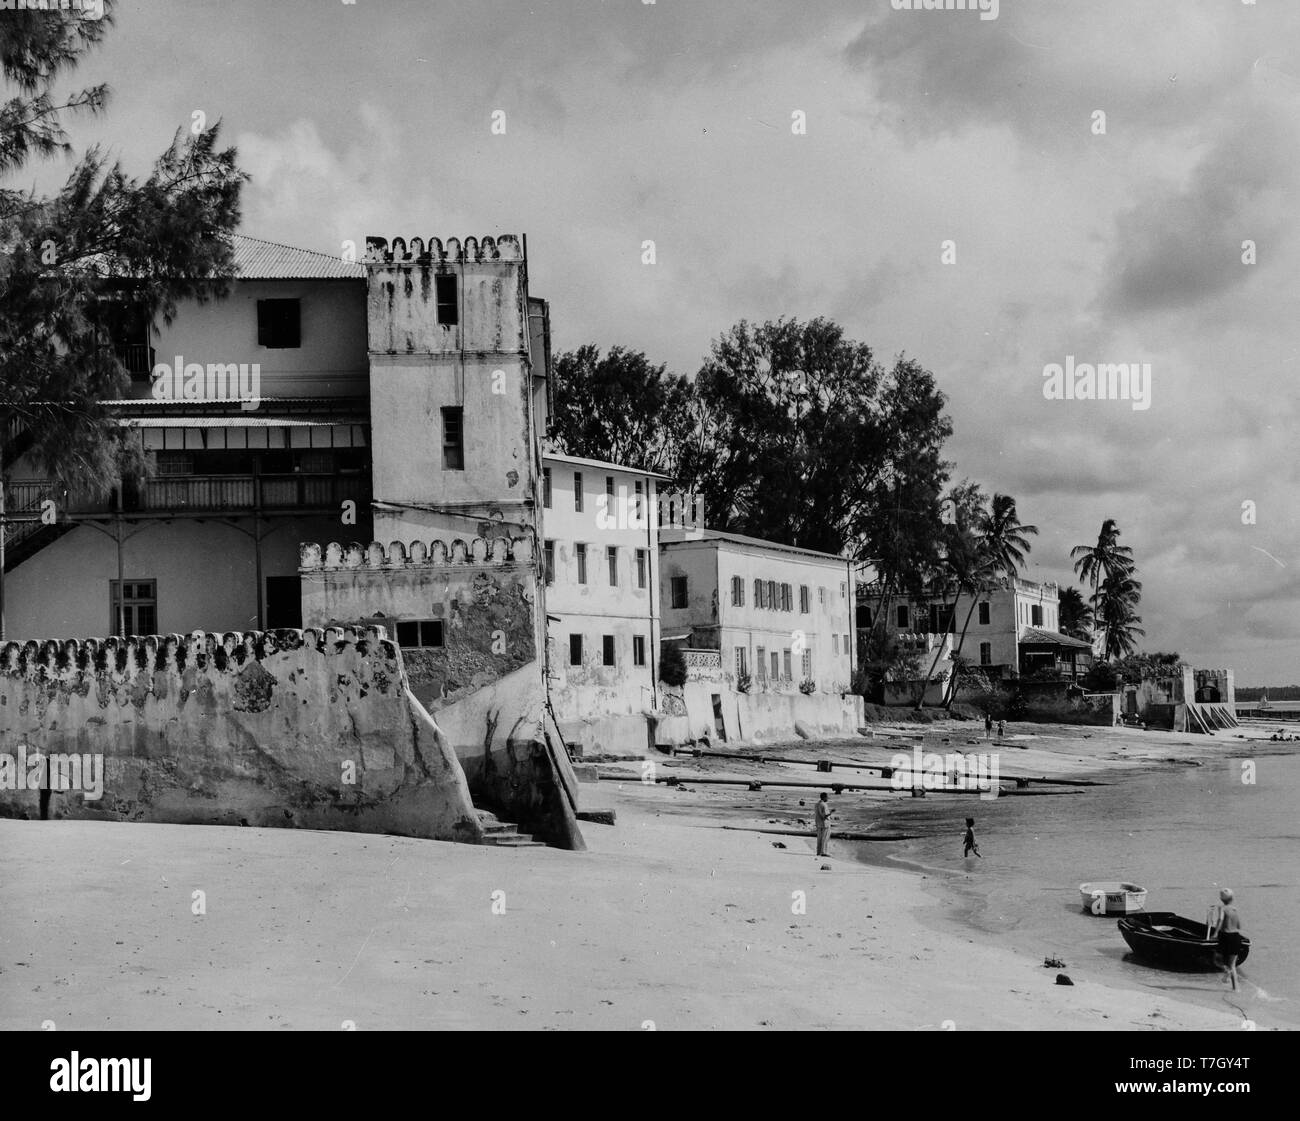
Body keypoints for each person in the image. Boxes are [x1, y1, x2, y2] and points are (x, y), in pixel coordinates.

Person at [1209, 888, 1244, 991]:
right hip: (1236, 937)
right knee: (1232, 965)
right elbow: (1239, 926)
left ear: (1221, 899)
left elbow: (1220, 919)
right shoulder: (1235, 910)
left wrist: (1215, 933)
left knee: (1216, 960)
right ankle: (1236, 989)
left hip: (1225, 937)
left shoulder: (1222, 908)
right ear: (1232, 898)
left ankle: (1226, 971)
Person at [814, 792, 834, 857]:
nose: (828, 798)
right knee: (825, 838)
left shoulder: (817, 804)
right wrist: (831, 812)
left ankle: (818, 852)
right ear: (824, 797)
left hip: (818, 823)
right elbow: (824, 816)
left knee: (819, 838)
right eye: (827, 797)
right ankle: (823, 852)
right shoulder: (823, 805)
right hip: (824, 824)